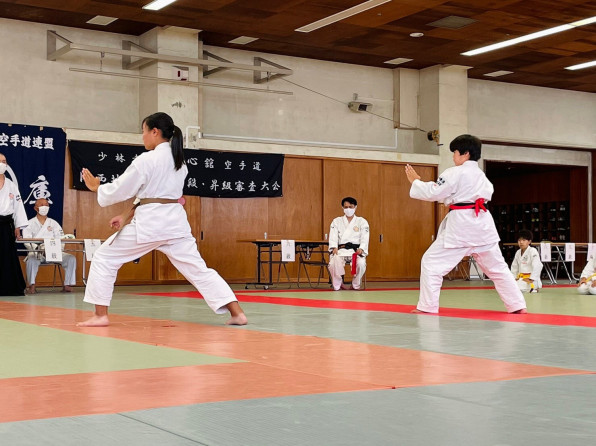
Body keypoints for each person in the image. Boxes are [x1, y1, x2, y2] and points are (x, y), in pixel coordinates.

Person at [78, 112, 247, 327]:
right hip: (175, 224)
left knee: (104, 258)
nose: (143, 137)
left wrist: (97, 188)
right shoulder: (179, 162)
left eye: (144, 132)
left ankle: (100, 315)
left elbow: (123, 188)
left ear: (155, 132)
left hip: (151, 224)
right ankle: (237, 313)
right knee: (198, 269)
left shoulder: (147, 160)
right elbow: (149, 194)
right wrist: (124, 215)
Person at [404, 134, 527, 314]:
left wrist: (416, 181)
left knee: (431, 263)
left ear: (465, 153)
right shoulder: (481, 176)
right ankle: (517, 305)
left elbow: (434, 192)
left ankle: (428, 307)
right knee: (498, 269)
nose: (453, 156)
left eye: (455, 152)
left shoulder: (455, 172)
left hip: (462, 226)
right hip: (483, 225)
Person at [22, 198, 77, 294]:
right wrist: (39, 249)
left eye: (47, 205)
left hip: (54, 252)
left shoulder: (54, 223)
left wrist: (56, 250)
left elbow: (61, 238)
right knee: (31, 260)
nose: (45, 207)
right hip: (38, 252)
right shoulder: (29, 223)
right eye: (42, 204)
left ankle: (67, 284)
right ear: (35, 208)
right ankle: (32, 285)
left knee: (70, 258)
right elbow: (27, 240)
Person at [0, 153, 28, 296]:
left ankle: (9, 287)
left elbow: (18, 206)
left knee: (7, 256)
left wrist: (18, 226)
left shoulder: (11, 185)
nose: (2, 164)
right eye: (0, 161)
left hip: (5, 225)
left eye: (4, 161)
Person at [328, 197, 369, 291]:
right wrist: (334, 247)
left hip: (355, 251)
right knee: (333, 263)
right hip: (341, 250)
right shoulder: (336, 221)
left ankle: (355, 284)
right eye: (346, 207)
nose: (348, 209)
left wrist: (362, 248)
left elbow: (365, 237)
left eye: (351, 207)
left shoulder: (362, 221)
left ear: (355, 207)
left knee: (361, 263)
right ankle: (338, 284)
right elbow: (333, 236)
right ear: (342, 208)